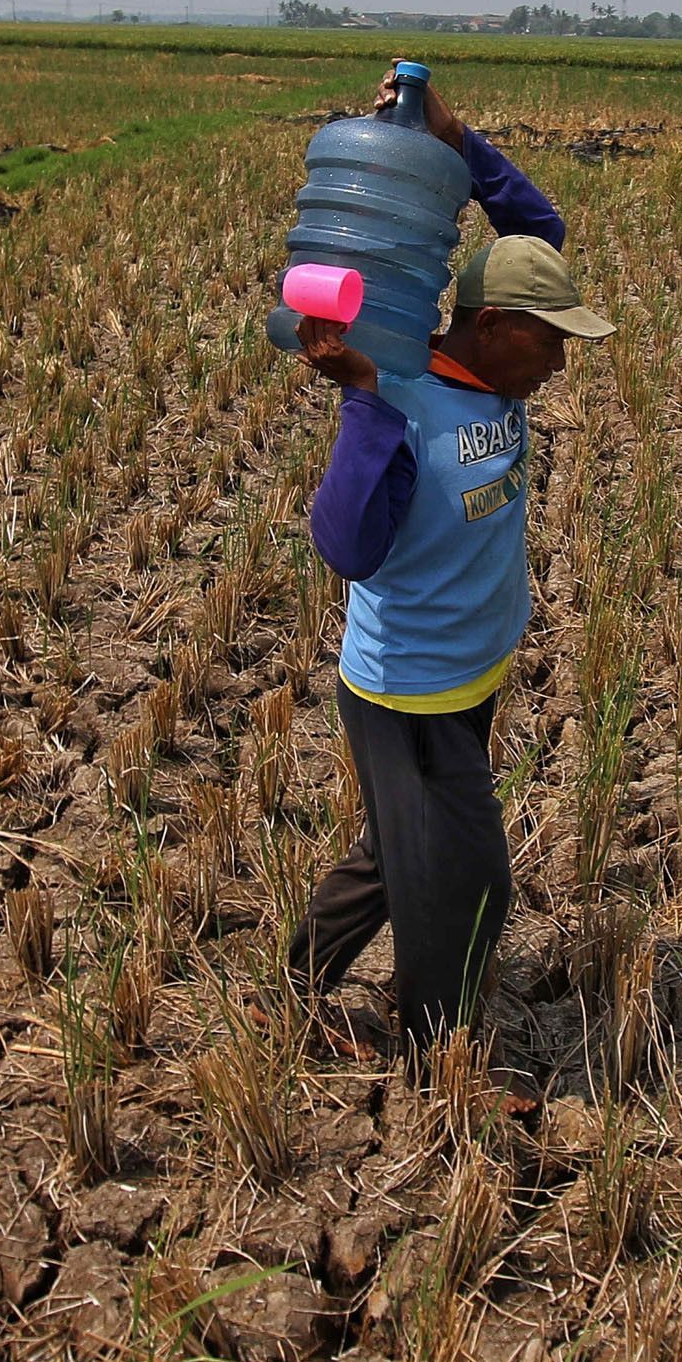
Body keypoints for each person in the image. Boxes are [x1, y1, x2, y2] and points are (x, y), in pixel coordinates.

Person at [285, 62, 614, 1112]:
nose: (561, 362)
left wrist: (455, 137)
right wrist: (364, 407)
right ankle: (439, 1066)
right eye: (552, 340)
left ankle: (291, 989)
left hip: (469, 674)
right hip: (407, 695)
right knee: (469, 880)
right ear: (494, 323)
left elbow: (535, 227)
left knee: (393, 857)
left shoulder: (500, 349)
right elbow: (342, 545)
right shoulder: (403, 400)